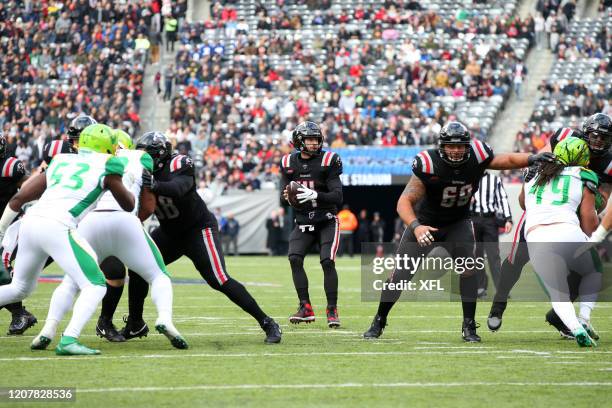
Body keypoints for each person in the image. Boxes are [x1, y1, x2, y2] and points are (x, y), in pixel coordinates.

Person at [362, 121, 555, 342]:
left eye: (460, 146)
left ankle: (469, 326)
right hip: (426, 224)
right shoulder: (429, 163)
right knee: (400, 276)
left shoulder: (478, 155)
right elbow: (404, 201)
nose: (455, 151)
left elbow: (506, 160)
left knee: (468, 270)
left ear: (468, 146)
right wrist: (416, 227)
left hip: (457, 223)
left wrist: (531, 158)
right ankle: (379, 320)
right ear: (441, 146)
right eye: (450, 146)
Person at [30, 129, 187, 351]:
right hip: (124, 220)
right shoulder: (140, 158)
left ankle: (49, 329)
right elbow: (149, 206)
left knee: (71, 282)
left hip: (89, 223)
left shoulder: (78, 160)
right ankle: (165, 319)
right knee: (158, 275)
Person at [120, 132, 282, 344]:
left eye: (147, 155)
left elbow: (180, 188)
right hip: (169, 232)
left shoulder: (180, 162)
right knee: (138, 268)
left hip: (197, 230)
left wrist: (154, 184)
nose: (143, 160)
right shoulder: (140, 172)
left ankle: (267, 322)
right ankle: (135, 323)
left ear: (160, 155)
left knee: (219, 279)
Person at [0, 124, 135, 355]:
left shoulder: (60, 160)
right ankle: (69, 339)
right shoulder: (109, 164)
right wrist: (120, 178)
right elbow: (129, 204)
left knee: (19, 287)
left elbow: (20, 198)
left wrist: (1, 232)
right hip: (58, 225)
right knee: (94, 284)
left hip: (31, 223)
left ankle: (56, 333)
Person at [489, 114, 612, 337]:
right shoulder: (565, 136)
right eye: (595, 136)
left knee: (582, 269)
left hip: (573, 214)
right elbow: (540, 159)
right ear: (585, 133)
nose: (599, 143)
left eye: (604, 139)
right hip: (542, 209)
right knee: (516, 259)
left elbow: (603, 197)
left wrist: (587, 191)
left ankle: (560, 317)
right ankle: (498, 305)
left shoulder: (606, 163)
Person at [522, 136, 599, 347]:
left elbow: (522, 203)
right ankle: (583, 318)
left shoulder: (535, 171)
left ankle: (575, 328)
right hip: (567, 231)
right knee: (593, 272)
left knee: (558, 291)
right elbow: (589, 221)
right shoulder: (584, 175)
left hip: (536, 235)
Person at [280, 121, 343, 328]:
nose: (314, 144)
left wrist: (315, 194)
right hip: (303, 220)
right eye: (310, 140)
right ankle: (305, 307)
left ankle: (332, 309)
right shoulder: (288, 162)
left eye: (316, 140)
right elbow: (283, 196)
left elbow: (337, 196)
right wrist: (289, 197)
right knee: (294, 258)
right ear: (299, 141)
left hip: (326, 220)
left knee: (327, 262)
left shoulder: (329, 160)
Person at [0, 131, 37, 335]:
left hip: (11, 225)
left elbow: (29, 185)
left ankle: (19, 314)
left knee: (2, 267)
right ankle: (20, 314)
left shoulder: (11, 166)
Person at [470, 171, 513, 297]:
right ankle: (480, 287)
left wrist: (508, 219)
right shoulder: (467, 178)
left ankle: (501, 289)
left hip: (490, 220)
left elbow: (502, 198)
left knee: (493, 255)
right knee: (476, 255)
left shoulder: (494, 179)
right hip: (473, 219)